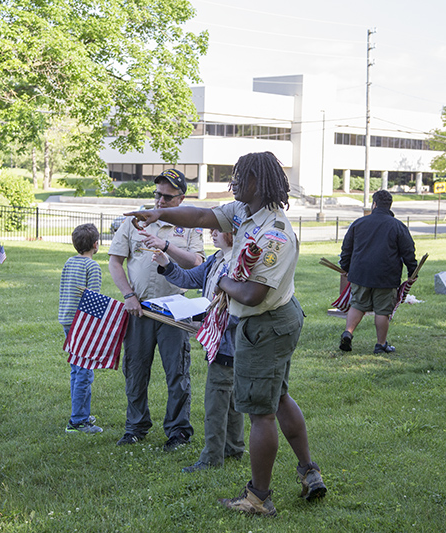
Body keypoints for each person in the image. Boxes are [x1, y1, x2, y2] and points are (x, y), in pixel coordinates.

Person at [125, 152, 326, 516]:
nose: (234, 184)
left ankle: (258, 498)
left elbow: (252, 293)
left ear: (259, 183)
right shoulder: (245, 212)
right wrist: (159, 214)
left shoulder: (274, 234)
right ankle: (309, 471)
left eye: (241, 178)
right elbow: (202, 215)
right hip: (273, 320)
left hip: (265, 324)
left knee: (261, 412)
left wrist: (218, 278)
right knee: (279, 397)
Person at [108, 169, 205, 451]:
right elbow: (115, 261)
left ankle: (178, 431)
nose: (160, 201)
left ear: (181, 198)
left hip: (174, 310)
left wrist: (167, 246)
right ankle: (135, 427)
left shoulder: (188, 227)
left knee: (177, 372)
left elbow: (196, 263)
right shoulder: (135, 221)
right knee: (136, 370)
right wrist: (128, 295)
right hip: (138, 309)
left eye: (167, 196)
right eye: (157, 195)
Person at [152, 228, 245, 473]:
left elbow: (240, 308)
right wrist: (166, 263)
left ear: (234, 233)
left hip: (229, 342)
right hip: (220, 341)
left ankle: (211, 458)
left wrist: (204, 322)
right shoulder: (216, 260)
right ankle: (234, 448)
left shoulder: (239, 264)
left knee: (217, 401)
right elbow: (188, 279)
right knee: (231, 398)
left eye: (219, 230)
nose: (212, 233)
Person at [338, 189, 418, 354]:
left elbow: (347, 248)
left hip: (360, 274)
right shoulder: (398, 225)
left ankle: (348, 333)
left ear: (374, 204)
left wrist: (345, 267)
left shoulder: (359, 223)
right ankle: (380, 345)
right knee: (383, 311)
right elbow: (408, 251)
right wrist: (412, 271)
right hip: (386, 276)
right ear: (390, 206)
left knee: (358, 305)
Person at [58, 223, 103, 434]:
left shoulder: (69, 262)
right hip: (82, 324)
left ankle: (82, 413)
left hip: (67, 320)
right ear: (96, 244)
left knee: (77, 369)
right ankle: (77, 421)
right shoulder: (92, 267)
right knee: (84, 371)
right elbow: (93, 300)